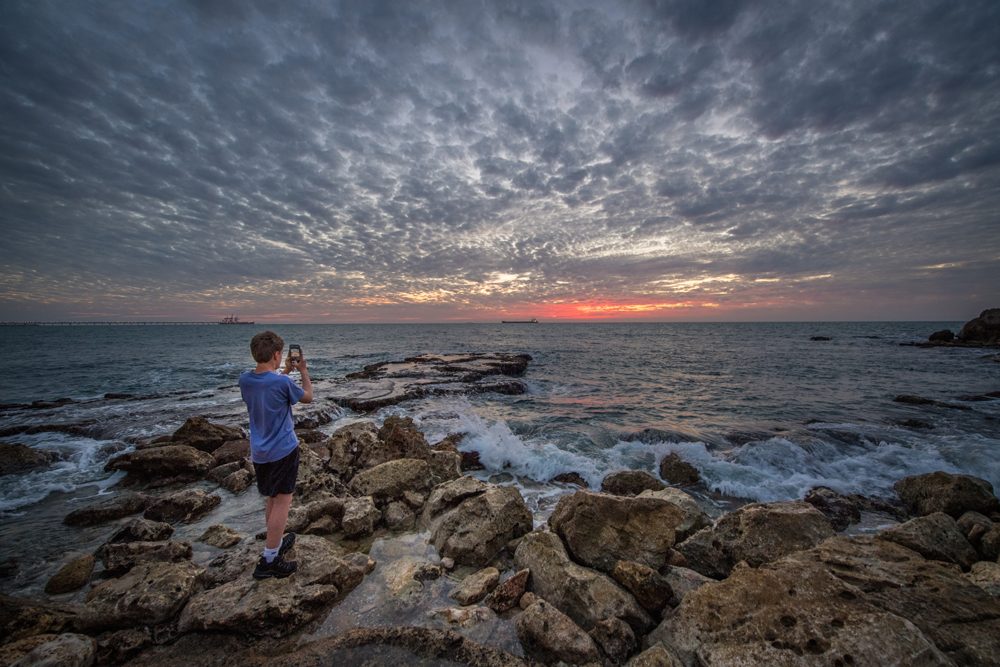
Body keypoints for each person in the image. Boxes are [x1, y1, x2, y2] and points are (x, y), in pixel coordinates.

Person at [238, 330, 313, 579]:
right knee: (283, 501)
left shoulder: (245, 380)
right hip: (283, 449)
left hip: (260, 452)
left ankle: (275, 542)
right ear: (277, 354)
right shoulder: (282, 383)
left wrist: (284, 373)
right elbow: (308, 398)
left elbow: (267, 384)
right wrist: (302, 371)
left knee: (271, 498)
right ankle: (270, 559)